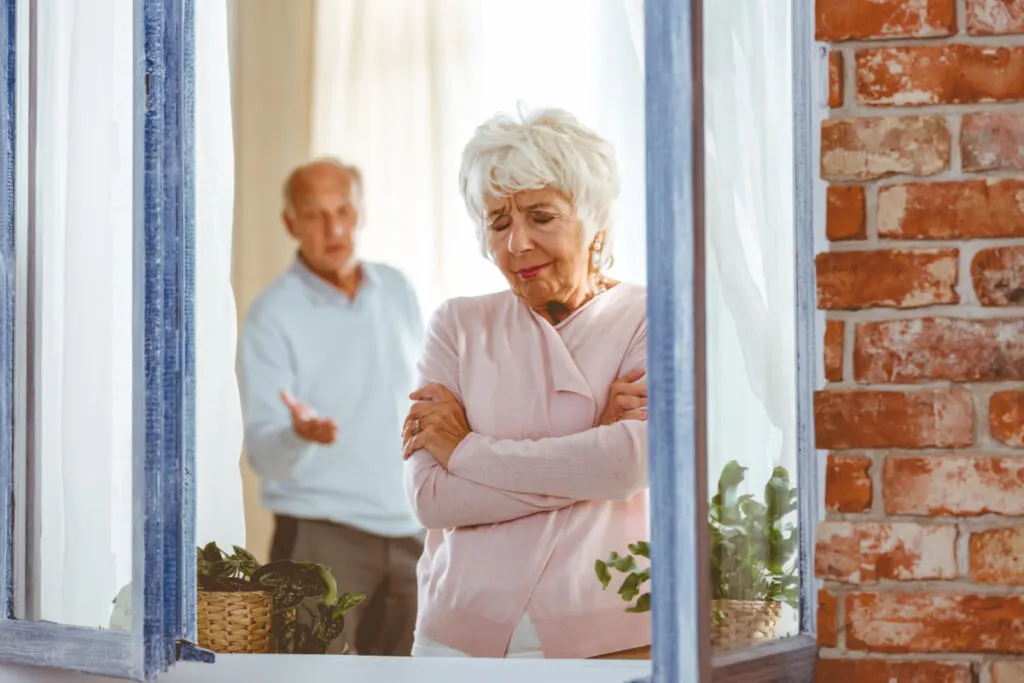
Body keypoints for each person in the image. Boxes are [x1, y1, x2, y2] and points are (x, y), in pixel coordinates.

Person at [402, 108, 650, 659]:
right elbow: (431, 497)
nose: (517, 243)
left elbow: (630, 465)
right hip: (454, 640)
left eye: (542, 217)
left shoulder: (648, 316)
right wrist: (591, 451)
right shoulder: (457, 325)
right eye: (498, 222)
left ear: (594, 222)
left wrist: (464, 450)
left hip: (610, 631)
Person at [238, 159, 425, 656]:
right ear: (289, 224)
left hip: (411, 530)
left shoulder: (398, 289)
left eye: (343, 210)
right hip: (320, 538)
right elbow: (263, 453)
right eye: (315, 214)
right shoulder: (271, 315)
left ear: (361, 212)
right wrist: (300, 433)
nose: (334, 228)